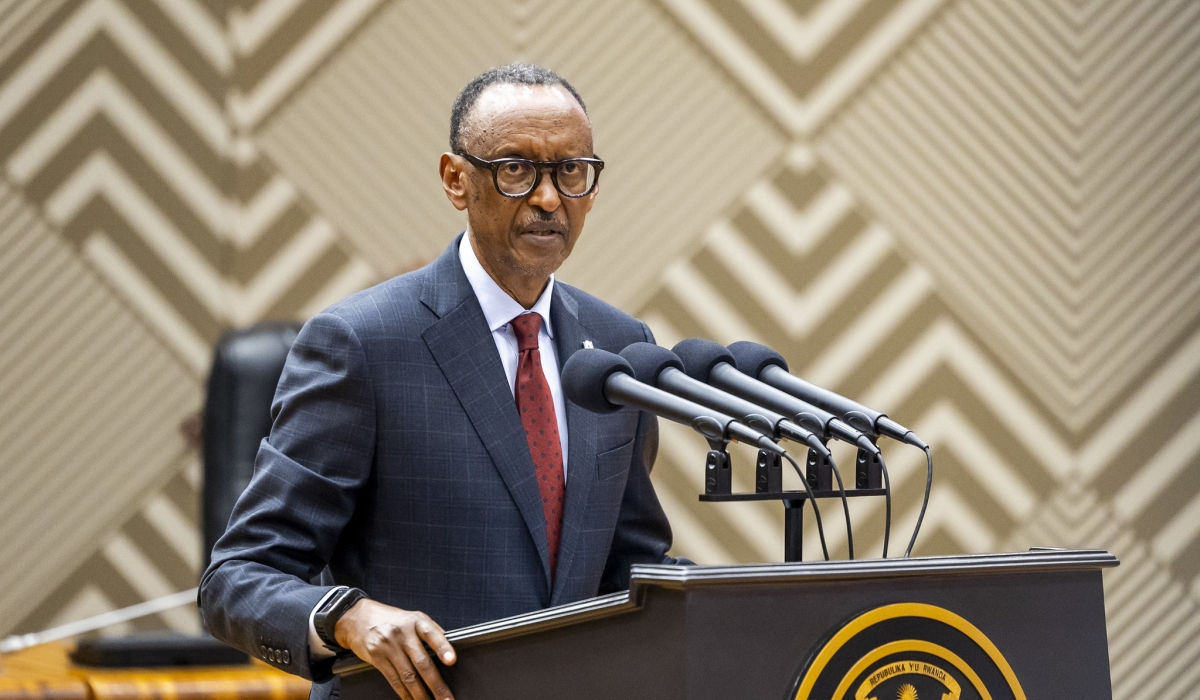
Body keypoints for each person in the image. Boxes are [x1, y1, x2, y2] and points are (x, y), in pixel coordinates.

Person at [199, 63, 683, 700]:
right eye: (516, 169)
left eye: (570, 170)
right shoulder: (361, 343)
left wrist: (741, 612)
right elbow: (238, 577)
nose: (548, 198)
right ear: (457, 181)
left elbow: (628, 567)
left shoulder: (620, 347)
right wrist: (348, 617)